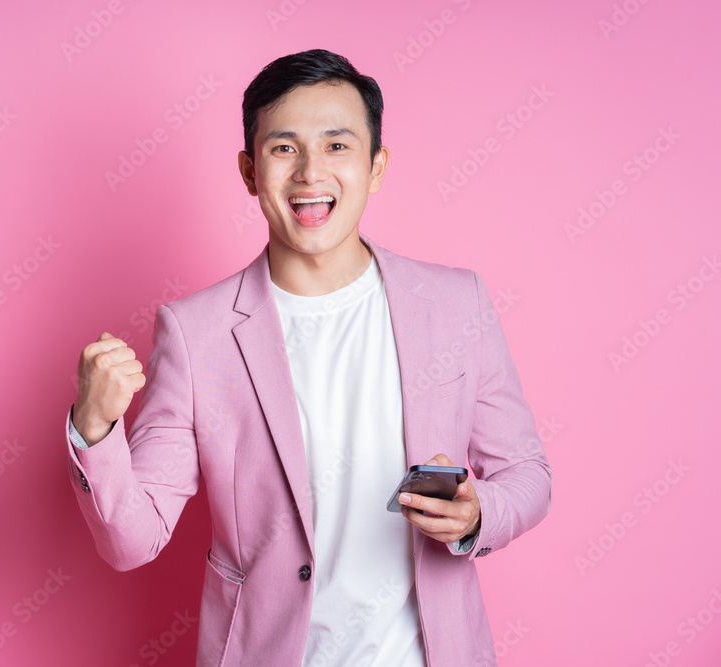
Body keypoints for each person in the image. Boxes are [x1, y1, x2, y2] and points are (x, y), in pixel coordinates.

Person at [65, 49, 552, 667]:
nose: (310, 173)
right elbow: (131, 541)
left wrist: (481, 514)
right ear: (249, 170)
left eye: (338, 146)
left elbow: (528, 473)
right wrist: (94, 428)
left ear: (377, 167)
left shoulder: (455, 303)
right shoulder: (195, 333)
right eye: (284, 148)